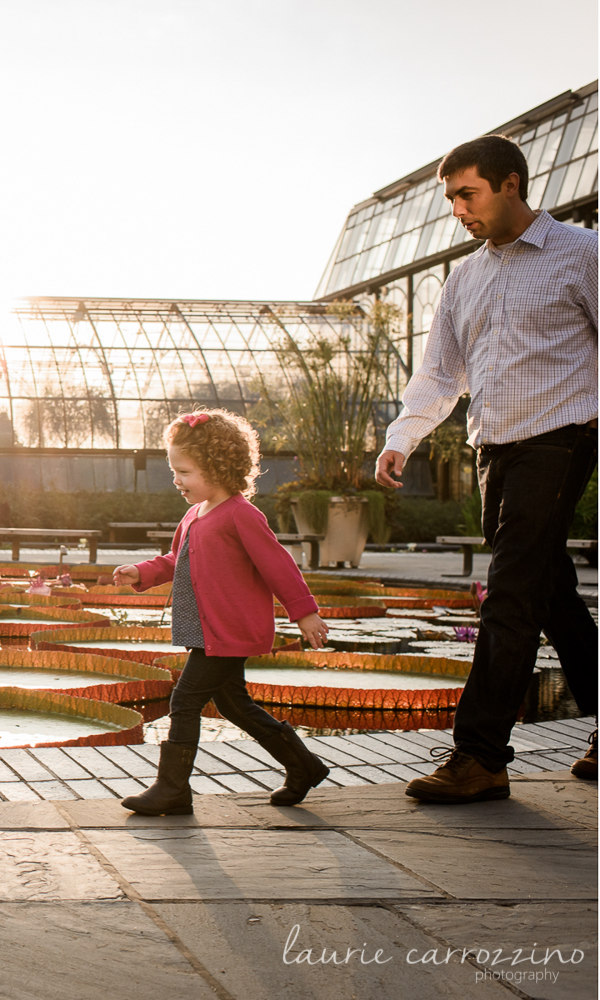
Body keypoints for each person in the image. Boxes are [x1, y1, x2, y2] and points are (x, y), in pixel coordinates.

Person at [375, 134, 598, 802]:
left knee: (507, 597)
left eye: (467, 194)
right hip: (493, 450)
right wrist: (402, 438)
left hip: (559, 440)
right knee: (547, 591)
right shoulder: (465, 278)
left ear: (510, 184)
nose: (459, 210)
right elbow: (440, 372)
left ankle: (480, 755)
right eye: (451, 199)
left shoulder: (583, 253)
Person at [113, 409, 331, 816]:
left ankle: (172, 788)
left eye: (186, 472)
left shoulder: (241, 515)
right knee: (235, 706)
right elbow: (176, 559)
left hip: (228, 631)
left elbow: (278, 565)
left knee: (184, 700)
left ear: (218, 468)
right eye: (174, 471)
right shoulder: (195, 515)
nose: (177, 480)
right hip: (207, 630)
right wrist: (139, 572)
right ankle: (304, 766)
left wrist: (304, 613)